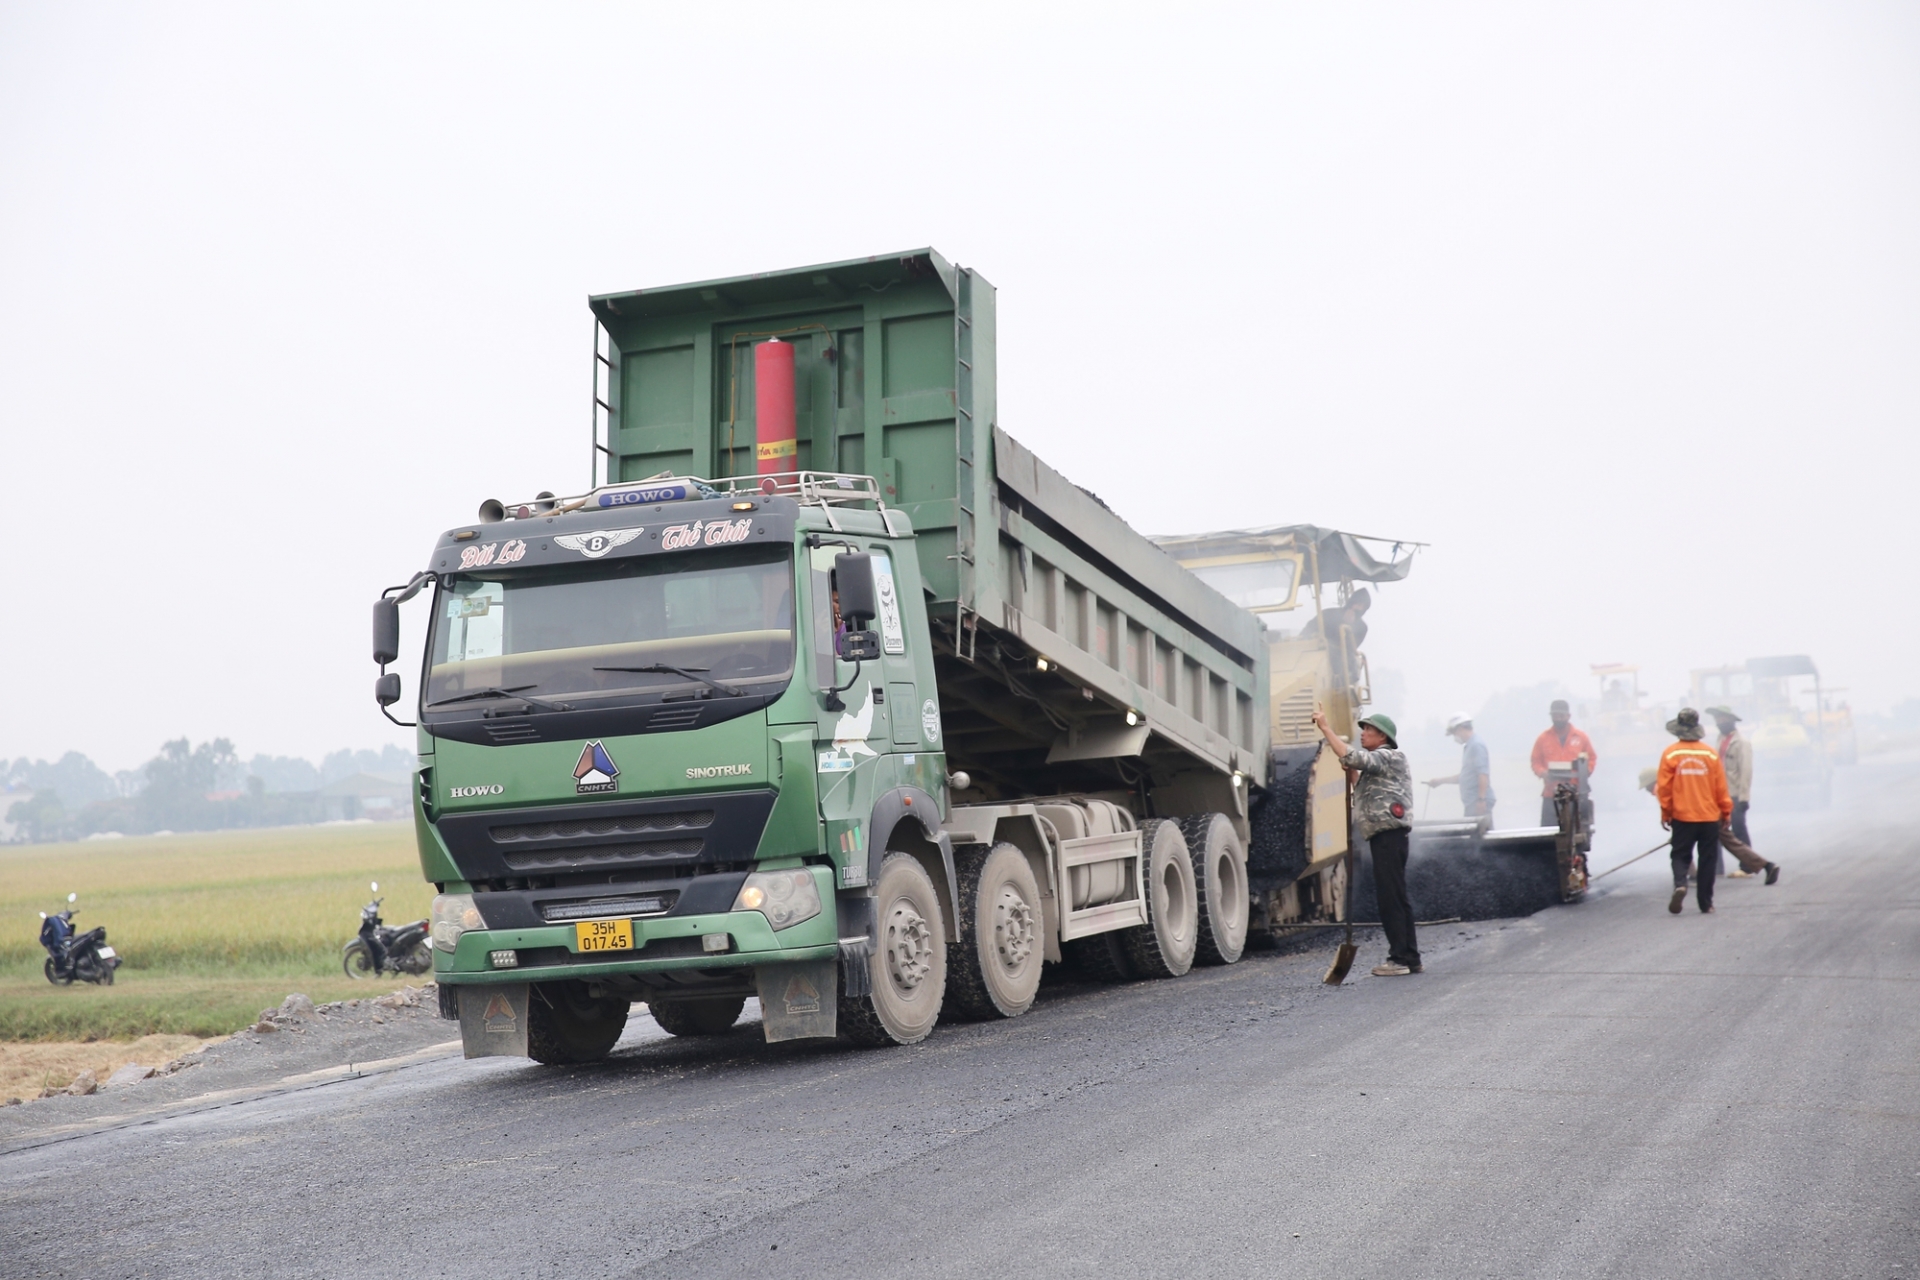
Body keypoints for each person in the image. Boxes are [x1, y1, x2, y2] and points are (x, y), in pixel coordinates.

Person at [1312, 706, 1420, 976]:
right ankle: (1410, 956)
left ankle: (1400, 959)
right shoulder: (1379, 765)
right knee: (1396, 895)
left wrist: (1326, 729)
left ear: (1382, 736)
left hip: (1388, 835)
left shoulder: (1388, 756)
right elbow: (1359, 782)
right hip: (1386, 836)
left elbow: (1351, 755)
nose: (1363, 734)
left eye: (1368, 730)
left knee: (1390, 897)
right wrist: (1350, 772)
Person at [1657, 707, 1732, 915]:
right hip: (1709, 816)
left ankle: (1680, 884)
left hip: (1683, 816)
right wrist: (1725, 812)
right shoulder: (1710, 754)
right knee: (1707, 859)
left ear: (1678, 729)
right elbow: (1720, 787)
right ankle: (1706, 903)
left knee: (1680, 854)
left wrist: (1666, 813)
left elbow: (1664, 788)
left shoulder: (1671, 753)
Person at [1530, 699, 1598, 826]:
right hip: (1551, 793)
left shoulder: (1581, 737)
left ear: (1568, 716)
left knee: (1578, 831)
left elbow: (1592, 758)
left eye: (1561, 715)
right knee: (1548, 833)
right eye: (1555, 715)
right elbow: (1535, 761)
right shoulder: (1543, 739)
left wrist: (1586, 772)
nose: (1558, 718)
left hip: (1576, 793)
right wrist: (1543, 773)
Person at [1426, 713, 1495, 824]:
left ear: (1461, 729)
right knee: (1475, 837)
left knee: (1480, 838)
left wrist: (1481, 800)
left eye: (1454, 733)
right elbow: (1465, 777)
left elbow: (1483, 774)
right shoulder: (1470, 746)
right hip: (1472, 802)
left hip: (1477, 802)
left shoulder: (1476, 745)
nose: (1455, 737)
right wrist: (1440, 781)